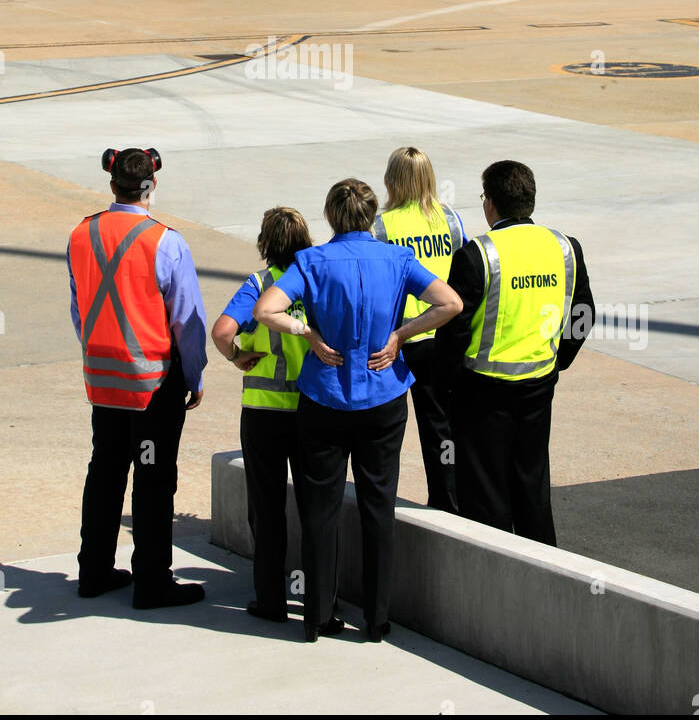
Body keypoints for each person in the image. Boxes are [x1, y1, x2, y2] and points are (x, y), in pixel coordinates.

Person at [254, 179, 462, 643]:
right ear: (372, 216)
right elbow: (450, 303)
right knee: (377, 505)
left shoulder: (311, 261)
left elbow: (268, 309)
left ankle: (316, 616)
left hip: (324, 397)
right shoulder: (398, 259)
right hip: (383, 397)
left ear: (331, 217)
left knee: (320, 510)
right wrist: (400, 336)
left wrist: (307, 332)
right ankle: (376, 618)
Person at [67, 146, 207, 608]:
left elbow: (79, 307)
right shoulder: (166, 241)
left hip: (102, 381)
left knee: (104, 472)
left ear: (112, 184)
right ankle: (151, 581)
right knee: (152, 479)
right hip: (151, 387)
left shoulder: (81, 234)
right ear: (151, 185)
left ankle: (93, 572)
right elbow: (186, 319)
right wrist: (195, 374)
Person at [434, 160, 595, 546]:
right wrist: (559, 357)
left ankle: (491, 578)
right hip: (539, 386)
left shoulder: (478, 255)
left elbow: (453, 333)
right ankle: (543, 570)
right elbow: (584, 314)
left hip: (481, 393)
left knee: (485, 498)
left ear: (490, 203)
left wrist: (447, 386)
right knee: (532, 489)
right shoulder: (565, 248)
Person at [211, 207, 313, 623]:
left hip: (264, 412)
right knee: (315, 508)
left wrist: (237, 357)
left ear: (266, 243)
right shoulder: (316, 280)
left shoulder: (259, 285)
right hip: (312, 411)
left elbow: (221, 332)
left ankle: (270, 599)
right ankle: (319, 597)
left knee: (267, 508)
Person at [372, 147, 466, 512]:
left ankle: (381, 498)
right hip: (441, 334)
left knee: (385, 430)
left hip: (398, 339)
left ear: (390, 180)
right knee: (441, 428)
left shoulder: (381, 226)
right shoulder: (452, 220)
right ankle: (447, 500)